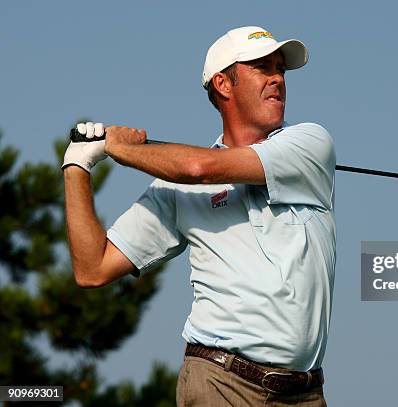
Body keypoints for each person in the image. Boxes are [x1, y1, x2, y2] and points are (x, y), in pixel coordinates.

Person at [62, 26, 336, 406]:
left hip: (305, 393)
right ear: (223, 84)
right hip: (219, 384)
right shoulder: (176, 191)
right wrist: (77, 166)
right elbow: (92, 268)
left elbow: (197, 167)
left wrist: (114, 147)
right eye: (262, 67)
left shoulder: (309, 144)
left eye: (281, 69)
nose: (277, 78)